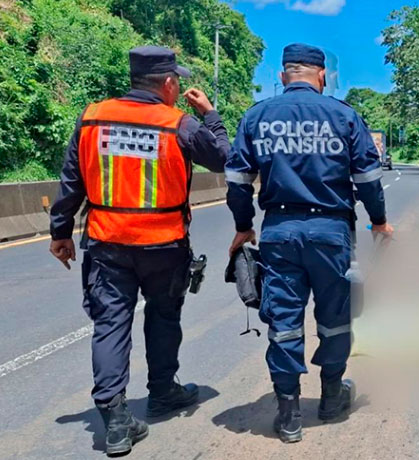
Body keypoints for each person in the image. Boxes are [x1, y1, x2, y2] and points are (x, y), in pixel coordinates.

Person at [48, 46, 230, 456]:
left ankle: (115, 420)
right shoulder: (177, 123)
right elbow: (223, 158)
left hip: (107, 242)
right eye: (177, 81)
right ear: (168, 83)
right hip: (164, 245)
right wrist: (211, 115)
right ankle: (163, 391)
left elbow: (71, 179)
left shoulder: (93, 116)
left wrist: (60, 230)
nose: (179, 86)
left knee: (110, 324)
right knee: (164, 318)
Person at [225, 43, 394, 443]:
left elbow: (236, 183)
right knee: (336, 318)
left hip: (279, 232)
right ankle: (331, 398)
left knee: (284, 320)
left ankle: (288, 416)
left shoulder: (256, 117)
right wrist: (380, 222)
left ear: (284, 76)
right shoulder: (345, 116)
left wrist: (244, 226)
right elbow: (368, 180)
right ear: (320, 76)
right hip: (330, 233)